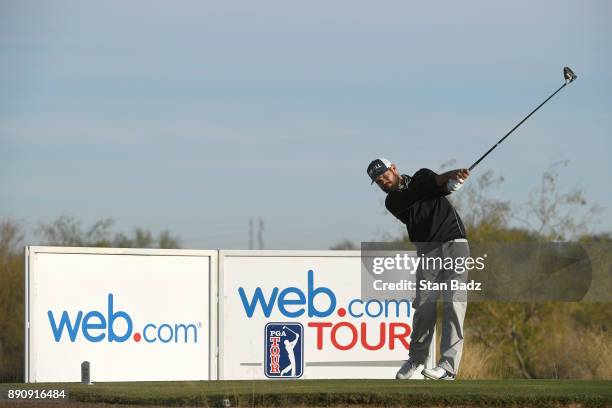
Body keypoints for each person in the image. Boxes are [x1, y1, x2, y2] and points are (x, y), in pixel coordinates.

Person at [366, 158, 470, 381]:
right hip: (427, 251)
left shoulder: (422, 175)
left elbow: (438, 183)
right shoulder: (393, 201)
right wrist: (445, 185)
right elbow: (420, 193)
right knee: (424, 307)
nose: (383, 182)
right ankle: (416, 359)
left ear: (394, 169)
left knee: (454, 302)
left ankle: (448, 368)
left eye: (384, 176)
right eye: (378, 181)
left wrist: (453, 180)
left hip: (454, 243)